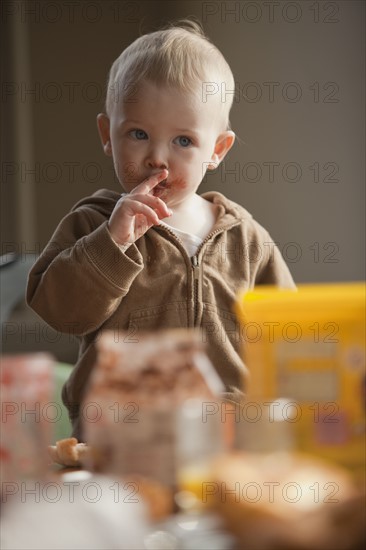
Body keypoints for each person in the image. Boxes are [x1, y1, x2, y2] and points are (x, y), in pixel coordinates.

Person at [27, 19, 295, 439]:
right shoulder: (93, 222)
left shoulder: (246, 239)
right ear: (107, 135)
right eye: (138, 134)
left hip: (229, 435)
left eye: (183, 141)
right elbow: (61, 313)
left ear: (217, 150)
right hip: (119, 435)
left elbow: (286, 333)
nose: (157, 158)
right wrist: (112, 243)